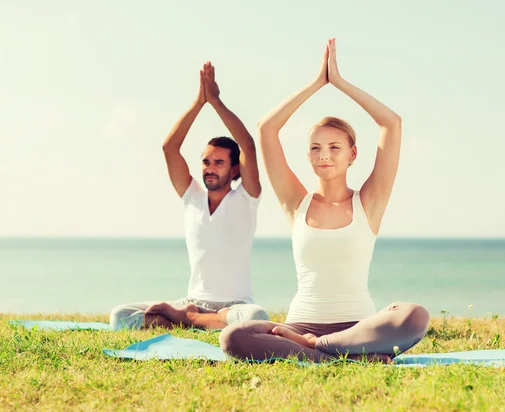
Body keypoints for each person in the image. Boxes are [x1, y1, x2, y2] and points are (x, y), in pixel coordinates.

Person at [219, 39, 429, 362]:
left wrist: (340, 83)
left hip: (357, 328)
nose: (324, 155)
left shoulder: (368, 202)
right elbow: (265, 129)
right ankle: (349, 358)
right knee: (233, 336)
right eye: (316, 148)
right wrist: (317, 83)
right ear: (308, 156)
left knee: (415, 315)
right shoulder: (296, 203)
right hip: (300, 324)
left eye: (334, 147)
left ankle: (321, 350)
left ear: (352, 155)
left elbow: (392, 124)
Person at [110, 62, 269, 330]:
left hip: (235, 307)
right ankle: (192, 317)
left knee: (256, 318)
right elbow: (169, 147)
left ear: (234, 170)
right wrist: (199, 102)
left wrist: (216, 102)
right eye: (206, 162)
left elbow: (248, 145)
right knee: (120, 315)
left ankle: (187, 320)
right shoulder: (192, 197)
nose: (209, 168)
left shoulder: (246, 198)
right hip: (192, 300)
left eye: (218, 163)